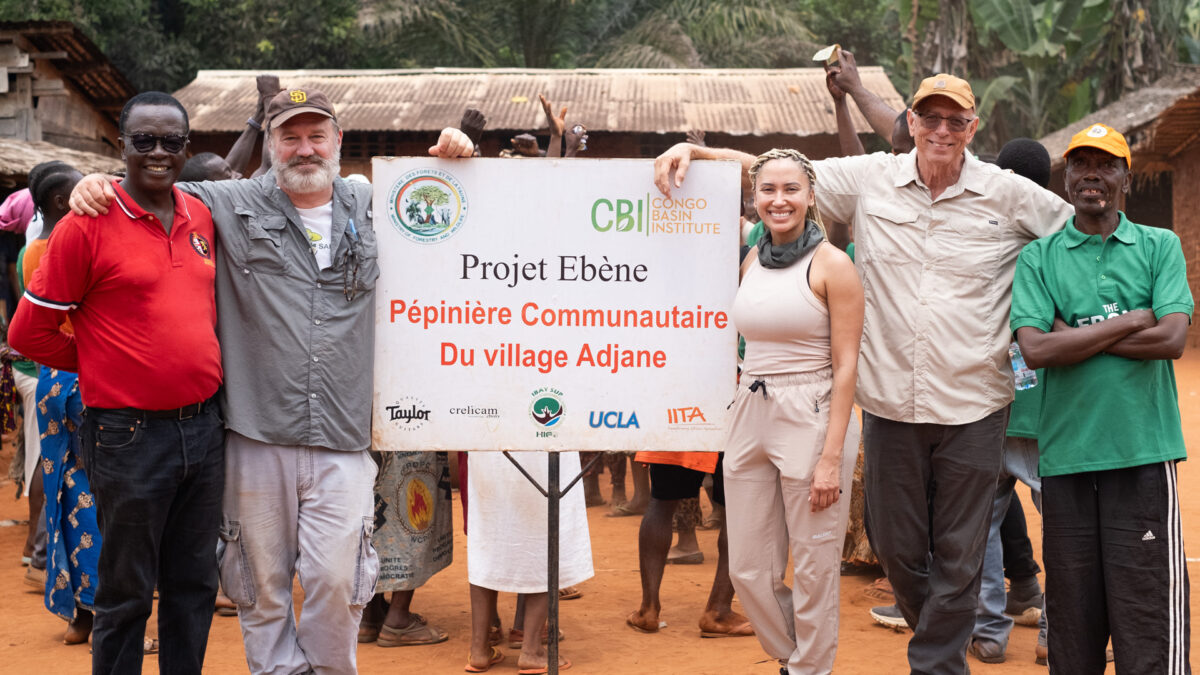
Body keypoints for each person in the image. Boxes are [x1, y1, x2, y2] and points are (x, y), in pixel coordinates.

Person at [655, 72, 1074, 675]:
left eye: (955, 120)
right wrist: (698, 153)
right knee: (898, 552)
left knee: (960, 553)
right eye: (929, 118)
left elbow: (1077, 234)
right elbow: (780, 175)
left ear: (972, 128)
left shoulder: (1007, 193)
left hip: (975, 404)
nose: (941, 131)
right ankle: (938, 639)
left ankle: (935, 665)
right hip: (889, 405)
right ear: (912, 123)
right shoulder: (873, 179)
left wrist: (1083, 311)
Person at [68, 86, 474, 674]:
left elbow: (453, 211)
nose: (304, 149)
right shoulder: (223, 203)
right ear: (271, 143)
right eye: (289, 136)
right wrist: (94, 180)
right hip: (255, 436)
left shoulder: (373, 204)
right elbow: (148, 181)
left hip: (342, 437)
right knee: (260, 589)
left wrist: (454, 153)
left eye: (316, 136)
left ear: (338, 140)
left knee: (340, 580)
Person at [12, 91, 225, 675]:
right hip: (128, 436)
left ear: (185, 149)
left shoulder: (200, 214)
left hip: (204, 431)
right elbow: (29, 335)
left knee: (193, 586)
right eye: (144, 141)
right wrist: (106, 360)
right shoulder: (86, 224)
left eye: (171, 142)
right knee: (127, 594)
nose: (158, 152)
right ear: (122, 146)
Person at [1011, 122, 1191, 674]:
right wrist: (1135, 319)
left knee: (1147, 613)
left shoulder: (1161, 246)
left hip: (1142, 451)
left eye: (1106, 164)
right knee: (1072, 616)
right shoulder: (1039, 258)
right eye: (1081, 164)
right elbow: (1036, 350)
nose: (1093, 174)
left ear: (1125, 179)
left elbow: (1172, 339)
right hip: (1066, 456)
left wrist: (1076, 335)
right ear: (1066, 179)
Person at [719, 148, 863, 674]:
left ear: (810, 196)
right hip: (751, 403)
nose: (779, 201)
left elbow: (848, 366)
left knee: (814, 562)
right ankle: (791, 654)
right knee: (748, 569)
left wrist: (830, 457)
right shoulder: (753, 258)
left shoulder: (833, 265)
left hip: (813, 408)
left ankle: (808, 669)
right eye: (767, 191)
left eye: (791, 190)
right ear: (754, 198)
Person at [969, 137, 1053, 665]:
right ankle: (1055, 634)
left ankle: (990, 633)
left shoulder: (983, 234)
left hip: (986, 405)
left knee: (981, 525)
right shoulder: (1058, 238)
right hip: (1047, 411)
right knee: (1065, 525)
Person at [625, 451, 753, 639]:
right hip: (730, 431)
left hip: (682, 427)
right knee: (736, 510)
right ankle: (718, 613)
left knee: (662, 501)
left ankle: (648, 610)